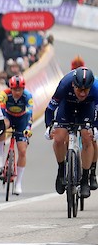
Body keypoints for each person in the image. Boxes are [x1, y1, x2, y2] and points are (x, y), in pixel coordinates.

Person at [44, 67, 98, 198]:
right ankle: (61, 170)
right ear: (73, 84)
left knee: (87, 137)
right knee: (58, 138)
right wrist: (48, 126)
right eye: (79, 89)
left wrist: (95, 127)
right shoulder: (64, 84)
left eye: (86, 90)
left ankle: (85, 178)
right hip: (67, 106)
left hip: (87, 108)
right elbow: (50, 108)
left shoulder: (96, 89)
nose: (82, 94)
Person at [0, 75, 33, 195]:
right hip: (8, 117)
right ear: (10, 88)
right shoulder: (4, 94)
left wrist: (28, 128)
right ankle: (1, 160)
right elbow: (1, 112)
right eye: (15, 89)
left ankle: (18, 183)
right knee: (2, 126)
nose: (17, 92)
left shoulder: (27, 96)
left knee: (22, 151)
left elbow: (29, 114)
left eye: (20, 89)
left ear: (23, 89)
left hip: (22, 121)